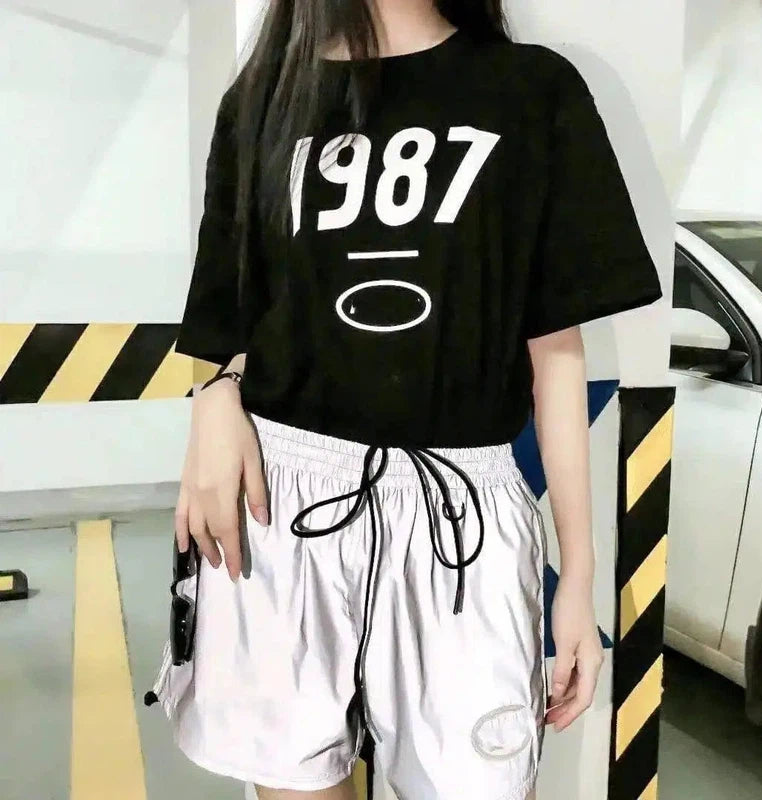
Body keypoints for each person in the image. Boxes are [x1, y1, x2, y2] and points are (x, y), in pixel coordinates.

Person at [144, 1, 664, 799]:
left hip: (464, 515)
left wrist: (577, 580)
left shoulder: (531, 90)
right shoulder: (262, 102)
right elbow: (232, 324)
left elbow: (557, 353)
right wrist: (214, 399)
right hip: (283, 503)